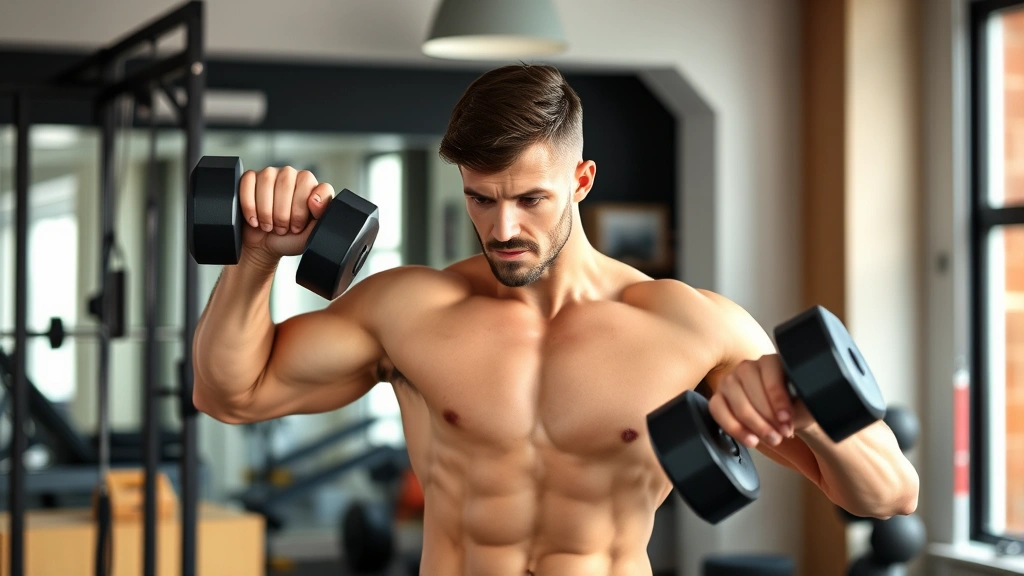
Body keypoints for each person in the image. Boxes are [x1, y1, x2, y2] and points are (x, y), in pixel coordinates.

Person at [193, 64, 919, 576]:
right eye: (481, 198)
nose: (502, 227)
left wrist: (797, 403)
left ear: (581, 180)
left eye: (530, 200)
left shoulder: (688, 325)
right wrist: (256, 255)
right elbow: (230, 394)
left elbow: (890, 495)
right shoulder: (408, 309)